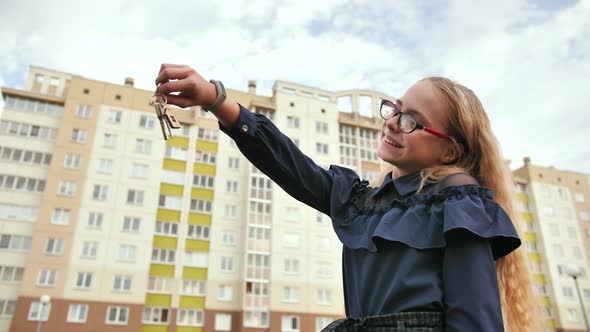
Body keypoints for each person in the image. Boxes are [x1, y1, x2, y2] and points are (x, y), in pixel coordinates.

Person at [155, 64, 541, 331]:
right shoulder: (363, 202)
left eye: (412, 121)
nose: (392, 122)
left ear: (450, 152)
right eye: (395, 109)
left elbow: (474, 318)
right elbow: (292, 165)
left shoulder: (459, 205)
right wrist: (214, 98)